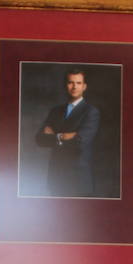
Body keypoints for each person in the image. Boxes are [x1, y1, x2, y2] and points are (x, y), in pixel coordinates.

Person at [35, 67, 100, 196]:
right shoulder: (55, 111)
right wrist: (63, 136)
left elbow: (80, 142)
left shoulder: (91, 112)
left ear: (84, 86)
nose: (74, 87)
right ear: (66, 85)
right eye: (70, 82)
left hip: (78, 180)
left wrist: (54, 136)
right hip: (57, 178)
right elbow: (40, 139)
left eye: (78, 83)